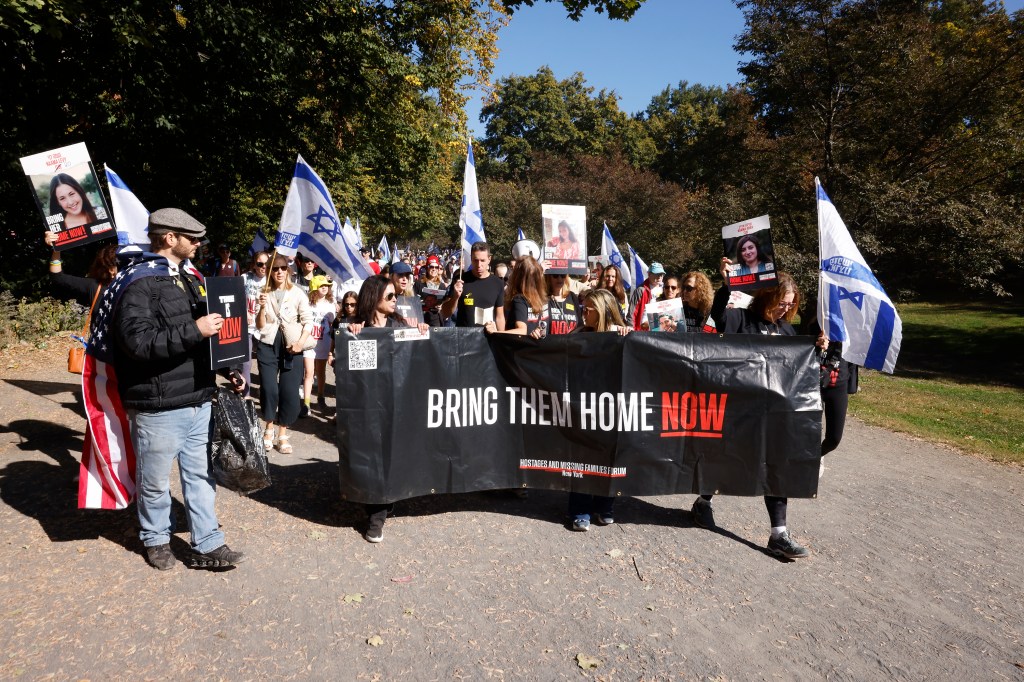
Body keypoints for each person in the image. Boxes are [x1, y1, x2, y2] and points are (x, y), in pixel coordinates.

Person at [110, 208, 246, 570]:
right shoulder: (138, 282)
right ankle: (155, 538)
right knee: (154, 481)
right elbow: (136, 343)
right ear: (169, 238)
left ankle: (208, 543)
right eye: (192, 238)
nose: (199, 243)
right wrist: (195, 330)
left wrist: (229, 366)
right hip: (158, 404)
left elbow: (210, 334)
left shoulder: (192, 277)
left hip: (199, 396)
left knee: (201, 477)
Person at [689, 258, 825, 559]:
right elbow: (719, 318)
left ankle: (779, 534)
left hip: (774, 417)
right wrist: (726, 284)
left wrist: (817, 350)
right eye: (781, 303)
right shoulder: (741, 319)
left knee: (776, 465)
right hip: (739, 410)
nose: (785, 310)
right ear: (767, 296)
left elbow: (802, 372)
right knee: (727, 458)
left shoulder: (789, 332)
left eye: (790, 305)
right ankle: (703, 501)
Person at [346, 275, 430, 543]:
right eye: (391, 296)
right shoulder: (356, 329)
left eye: (396, 295)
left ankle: (378, 512)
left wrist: (421, 332)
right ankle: (377, 510)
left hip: (398, 404)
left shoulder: (400, 325)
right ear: (375, 298)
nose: (396, 300)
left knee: (391, 454)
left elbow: (419, 358)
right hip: (368, 407)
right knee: (371, 455)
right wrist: (352, 336)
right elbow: (353, 372)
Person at [568, 289, 630, 531]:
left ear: (603, 311)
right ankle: (579, 510)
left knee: (609, 456)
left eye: (589, 308)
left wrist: (629, 337)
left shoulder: (620, 334)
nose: (584, 311)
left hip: (611, 407)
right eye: (584, 307)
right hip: (583, 406)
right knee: (582, 458)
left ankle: (604, 506)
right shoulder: (578, 333)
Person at [255, 253, 314, 455]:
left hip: (291, 346)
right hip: (268, 343)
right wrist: (262, 307)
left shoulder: (297, 293)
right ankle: (268, 429)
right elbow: (260, 325)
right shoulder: (264, 292)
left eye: (282, 268)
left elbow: (308, 321)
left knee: (288, 391)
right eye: (275, 269)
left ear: (287, 270)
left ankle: (282, 433)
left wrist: (300, 343)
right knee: (270, 389)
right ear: (270, 272)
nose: (279, 272)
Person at [441, 242, 506, 329]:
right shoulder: (460, 280)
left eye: (482, 260)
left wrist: (501, 337)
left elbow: (500, 317)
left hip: (488, 338)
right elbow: (445, 313)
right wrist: (455, 297)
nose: (479, 265)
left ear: (489, 259)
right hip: (464, 337)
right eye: (475, 260)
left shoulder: (498, 283)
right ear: (471, 258)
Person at [44, 231, 117, 306]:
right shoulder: (95, 286)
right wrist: (57, 247)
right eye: (124, 264)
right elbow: (58, 277)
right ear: (111, 270)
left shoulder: (128, 287)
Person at [484, 255, 548, 337]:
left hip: (521, 348)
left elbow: (521, 330)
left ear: (517, 276)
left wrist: (496, 332)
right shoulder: (544, 299)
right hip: (539, 348)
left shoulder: (519, 299)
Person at [301, 275, 335, 417]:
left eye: (327, 286)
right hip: (309, 342)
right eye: (322, 286)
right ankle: (306, 403)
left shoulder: (330, 305)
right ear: (314, 287)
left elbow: (332, 323)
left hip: (323, 343)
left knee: (321, 372)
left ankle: (321, 397)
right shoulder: (307, 304)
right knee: (309, 373)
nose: (325, 288)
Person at [242, 251, 270, 396]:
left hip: (264, 327)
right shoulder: (245, 278)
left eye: (266, 263)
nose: (263, 267)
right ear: (254, 264)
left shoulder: (272, 279)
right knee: (246, 362)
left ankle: (263, 389)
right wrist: (244, 311)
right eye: (260, 264)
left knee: (264, 361)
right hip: (248, 326)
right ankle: (245, 393)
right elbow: (237, 297)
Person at [628, 262, 665, 331]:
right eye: (657, 274)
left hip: (661, 329)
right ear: (649, 274)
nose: (660, 277)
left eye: (661, 274)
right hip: (643, 331)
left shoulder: (666, 289)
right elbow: (632, 312)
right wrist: (630, 328)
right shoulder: (640, 290)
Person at [545, 271, 583, 336]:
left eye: (563, 275)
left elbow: (580, 325)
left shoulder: (572, 297)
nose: (559, 279)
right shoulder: (543, 298)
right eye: (555, 275)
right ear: (549, 277)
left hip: (571, 344)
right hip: (550, 344)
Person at [415, 255, 447, 326]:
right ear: (427, 267)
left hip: (435, 318)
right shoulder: (419, 283)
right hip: (421, 317)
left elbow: (445, 301)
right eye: (431, 266)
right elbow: (412, 300)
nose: (434, 269)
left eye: (436, 267)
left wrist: (442, 305)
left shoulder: (442, 285)